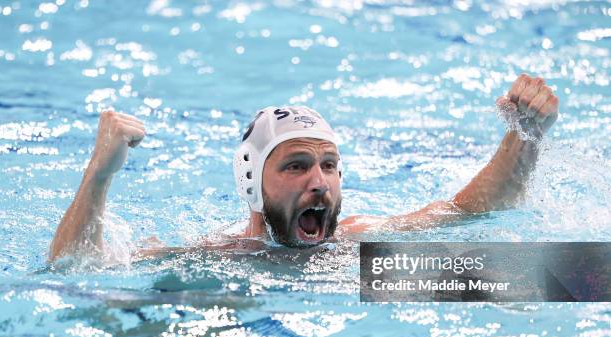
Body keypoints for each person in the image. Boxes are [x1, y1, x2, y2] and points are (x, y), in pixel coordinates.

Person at [49, 74, 559, 262]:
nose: (319, 182)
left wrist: (526, 135)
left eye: (329, 165)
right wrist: (99, 175)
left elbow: (471, 211)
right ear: (252, 183)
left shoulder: (357, 243)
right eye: (296, 166)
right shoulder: (214, 260)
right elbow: (73, 272)